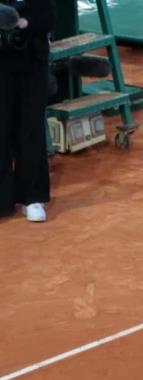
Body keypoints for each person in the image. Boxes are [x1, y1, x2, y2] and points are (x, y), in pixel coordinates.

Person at [0, 0, 54, 222]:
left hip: (33, 60)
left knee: (31, 128)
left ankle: (32, 198)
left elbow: (48, 17)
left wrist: (25, 23)